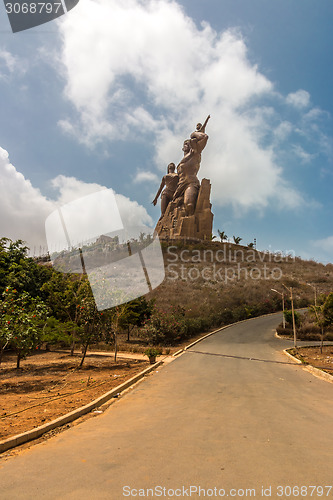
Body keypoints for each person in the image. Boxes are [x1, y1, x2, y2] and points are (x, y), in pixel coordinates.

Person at [172, 127, 209, 216]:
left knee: (189, 205)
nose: (188, 145)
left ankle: (192, 225)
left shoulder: (195, 153)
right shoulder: (181, 161)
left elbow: (205, 137)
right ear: (182, 148)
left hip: (190, 183)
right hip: (180, 186)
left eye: (189, 144)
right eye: (185, 144)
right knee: (174, 209)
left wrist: (194, 134)